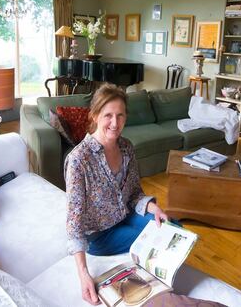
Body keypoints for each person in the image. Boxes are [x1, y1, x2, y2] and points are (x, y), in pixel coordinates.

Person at [64, 83, 169, 305]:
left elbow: (135, 194)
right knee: (156, 242)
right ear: (94, 116)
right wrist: (83, 274)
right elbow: (74, 224)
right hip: (99, 235)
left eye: (120, 116)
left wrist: (153, 208)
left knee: (171, 228)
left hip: (125, 216)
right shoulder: (79, 160)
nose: (115, 123)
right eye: (108, 115)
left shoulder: (126, 147)